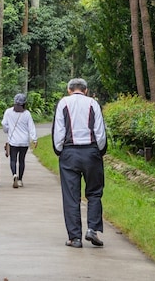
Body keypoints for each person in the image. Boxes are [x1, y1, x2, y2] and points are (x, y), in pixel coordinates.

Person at [52, 78, 108, 248]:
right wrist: (100, 151)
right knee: (94, 192)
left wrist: (60, 151)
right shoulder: (93, 104)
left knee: (71, 196)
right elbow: (100, 131)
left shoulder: (63, 103)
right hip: (91, 152)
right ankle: (92, 229)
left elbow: (58, 131)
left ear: (69, 90)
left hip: (69, 153)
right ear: (86, 90)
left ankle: (74, 238)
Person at [1, 93, 38, 189]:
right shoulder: (27, 114)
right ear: (24, 103)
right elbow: (31, 127)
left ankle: (14, 174)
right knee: (22, 160)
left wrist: (7, 130)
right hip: (24, 141)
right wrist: (34, 139)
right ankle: (20, 180)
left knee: (13, 159)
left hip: (13, 141)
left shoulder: (8, 112)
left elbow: (4, 124)